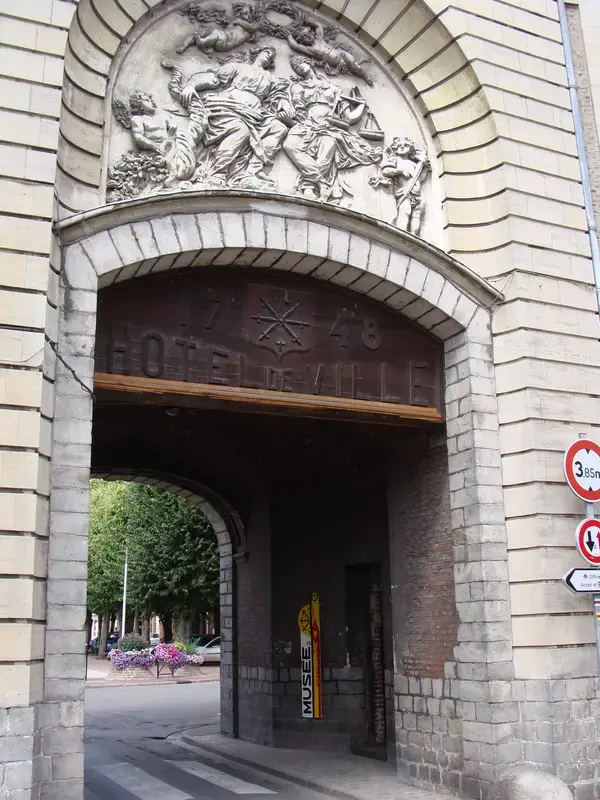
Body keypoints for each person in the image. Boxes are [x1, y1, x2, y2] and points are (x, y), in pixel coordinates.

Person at [164, 48, 289, 189]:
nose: (268, 57)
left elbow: (279, 95)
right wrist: (191, 86)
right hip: (229, 105)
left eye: (271, 57)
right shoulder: (239, 67)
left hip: (256, 114)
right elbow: (214, 78)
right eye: (266, 53)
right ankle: (217, 173)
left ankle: (251, 172)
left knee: (280, 128)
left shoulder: (270, 77)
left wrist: (285, 106)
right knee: (241, 131)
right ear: (257, 53)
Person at [282, 56, 382, 202]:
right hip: (306, 125)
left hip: (329, 126)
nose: (299, 67)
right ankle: (322, 183)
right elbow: (297, 113)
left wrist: (361, 105)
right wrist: (287, 119)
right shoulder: (297, 87)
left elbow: (348, 118)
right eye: (296, 67)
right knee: (289, 145)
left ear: (309, 62)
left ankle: (309, 187)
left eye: (300, 63)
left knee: (329, 144)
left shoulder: (334, 89)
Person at [374, 136, 430, 235]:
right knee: (405, 211)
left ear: (410, 149)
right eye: (399, 146)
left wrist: (424, 168)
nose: (402, 147)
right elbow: (386, 171)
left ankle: (413, 234)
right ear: (395, 148)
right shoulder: (394, 160)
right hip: (404, 191)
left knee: (416, 214)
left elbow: (420, 178)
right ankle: (402, 233)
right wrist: (400, 171)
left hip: (418, 193)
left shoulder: (413, 164)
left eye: (406, 145)